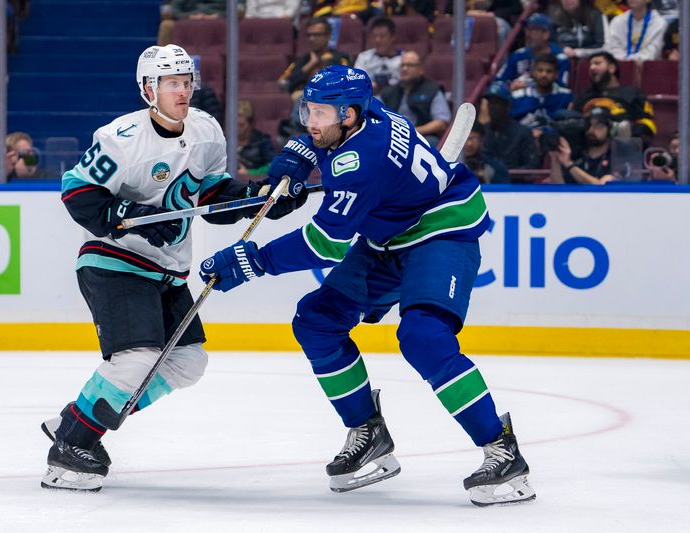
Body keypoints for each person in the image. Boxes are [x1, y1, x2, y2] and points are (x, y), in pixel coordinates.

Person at [198, 65, 535, 506]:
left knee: (423, 336)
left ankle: (502, 450)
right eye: (308, 110)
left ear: (349, 115)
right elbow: (316, 144)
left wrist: (252, 260)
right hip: (389, 235)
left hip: (442, 229)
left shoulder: (362, 161)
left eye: (320, 114)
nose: (310, 122)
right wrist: (295, 159)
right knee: (317, 320)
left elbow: (324, 245)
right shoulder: (365, 112)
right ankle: (367, 431)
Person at [40, 44, 304, 493]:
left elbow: (209, 197)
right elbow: (76, 192)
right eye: (172, 83)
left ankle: (79, 416)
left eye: (186, 82)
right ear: (149, 89)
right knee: (137, 359)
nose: (183, 91)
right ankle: (71, 445)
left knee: (187, 362)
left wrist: (257, 199)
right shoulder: (121, 137)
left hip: (166, 271)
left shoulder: (205, 130)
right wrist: (131, 216)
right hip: (115, 263)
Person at [572, 51, 657, 142]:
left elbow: (648, 124)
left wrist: (627, 134)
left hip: (622, 146)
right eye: (591, 65)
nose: (592, 68)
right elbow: (574, 121)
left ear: (612, 68)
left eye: (597, 63)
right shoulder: (584, 95)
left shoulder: (633, 94)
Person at [379, 50, 451, 146]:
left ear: (420, 69)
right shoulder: (388, 91)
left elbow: (441, 122)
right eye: (402, 65)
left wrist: (413, 131)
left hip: (420, 137)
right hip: (391, 136)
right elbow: (375, 113)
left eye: (410, 65)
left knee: (431, 142)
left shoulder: (432, 89)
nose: (404, 69)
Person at [496, 13, 570, 90]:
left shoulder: (560, 58)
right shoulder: (518, 55)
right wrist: (508, 87)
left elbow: (561, 87)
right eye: (527, 29)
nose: (528, 34)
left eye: (533, 30)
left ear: (546, 34)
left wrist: (528, 85)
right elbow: (499, 81)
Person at [480, 82, 540, 176]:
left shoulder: (523, 133)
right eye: (490, 102)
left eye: (497, 103)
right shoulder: (483, 131)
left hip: (516, 186)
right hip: (485, 186)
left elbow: (531, 166)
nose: (492, 107)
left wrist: (505, 174)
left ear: (507, 106)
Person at [549, 106, 617, 184]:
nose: (591, 130)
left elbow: (601, 187)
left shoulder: (615, 158)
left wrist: (569, 165)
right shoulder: (575, 154)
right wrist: (555, 159)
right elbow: (557, 188)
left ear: (611, 130)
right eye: (589, 125)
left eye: (598, 126)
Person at [510, 54, 573, 129]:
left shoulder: (566, 96)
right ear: (533, 72)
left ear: (556, 74)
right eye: (540, 70)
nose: (544, 75)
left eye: (549, 71)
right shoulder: (517, 96)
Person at [354, 16, 402, 95]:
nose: (377, 40)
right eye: (374, 36)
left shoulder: (404, 59)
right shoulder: (364, 57)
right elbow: (356, 82)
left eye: (382, 36)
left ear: (393, 37)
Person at [237, 100, 274, 177]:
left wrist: (249, 172)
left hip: (253, 182)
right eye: (234, 124)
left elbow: (272, 166)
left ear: (251, 124)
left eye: (241, 125)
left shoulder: (262, 141)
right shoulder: (225, 139)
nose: (236, 128)